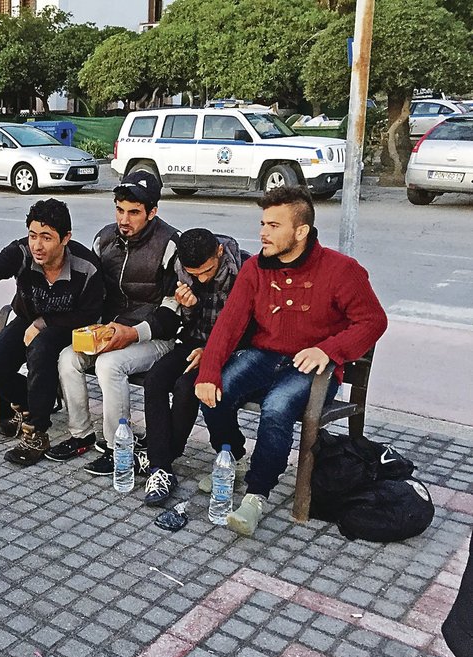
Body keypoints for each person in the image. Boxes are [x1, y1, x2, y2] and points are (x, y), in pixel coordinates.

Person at [194, 186, 387, 537]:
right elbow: (229, 324)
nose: (263, 233)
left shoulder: (342, 270)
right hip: (265, 355)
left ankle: (256, 494)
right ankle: (234, 456)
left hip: (315, 366)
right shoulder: (255, 268)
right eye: (263, 223)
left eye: (274, 225)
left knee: (277, 407)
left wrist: (328, 350)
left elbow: (373, 321)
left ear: (301, 231)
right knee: (213, 390)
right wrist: (208, 371)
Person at [46, 170, 180, 476]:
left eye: (134, 212)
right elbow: (91, 290)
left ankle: (118, 446)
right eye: (120, 210)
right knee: (68, 357)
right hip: (111, 329)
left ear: (152, 212)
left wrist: (133, 333)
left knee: (109, 365)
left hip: (156, 337)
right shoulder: (104, 238)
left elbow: (175, 310)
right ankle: (81, 435)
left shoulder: (171, 243)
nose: (124, 219)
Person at [0, 199, 103, 466]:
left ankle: (37, 430)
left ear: (65, 238)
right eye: (33, 235)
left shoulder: (86, 267)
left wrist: (43, 324)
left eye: (47, 238)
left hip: (70, 326)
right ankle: (32, 404)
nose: (37, 245)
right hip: (27, 317)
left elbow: (90, 314)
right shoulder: (22, 253)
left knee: (42, 347)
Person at [140, 228, 245, 506]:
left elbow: (245, 329)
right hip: (192, 343)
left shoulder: (243, 272)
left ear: (219, 253)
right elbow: (187, 324)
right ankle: (160, 465)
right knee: (155, 379)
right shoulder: (182, 267)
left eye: (207, 271)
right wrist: (190, 306)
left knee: (187, 386)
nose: (201, 278)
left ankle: (160, 459)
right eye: (193, 273)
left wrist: (212, 353)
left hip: (229, 349)